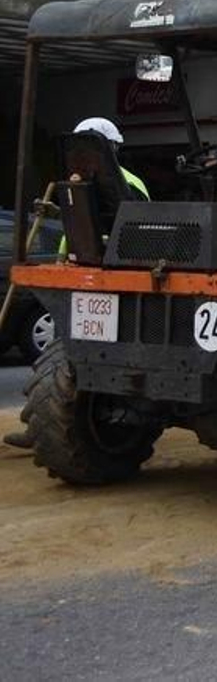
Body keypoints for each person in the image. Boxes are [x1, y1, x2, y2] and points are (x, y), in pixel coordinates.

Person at [6, 118, 148, 451]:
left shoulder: (119, 184)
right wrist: (56, 211)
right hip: (83, 269)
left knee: (72, 348)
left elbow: (125, 225)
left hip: (99, 271)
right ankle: (48, 422)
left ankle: (51, 422)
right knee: (67, 349)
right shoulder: (78, 184)